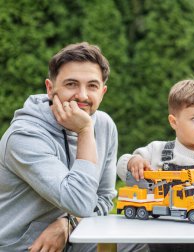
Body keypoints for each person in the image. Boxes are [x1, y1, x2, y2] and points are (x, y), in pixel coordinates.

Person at [0, 42, 145, 252]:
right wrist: (85, 131)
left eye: (92, 86)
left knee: (150, 242)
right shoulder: (24, 136)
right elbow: (79, 202)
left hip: (77, 238)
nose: (83, 95)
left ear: (103, 92)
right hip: (26, 247)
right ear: (51, 88)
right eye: (71, 84)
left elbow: (104, 198)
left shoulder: (104, 125)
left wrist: (68, 224)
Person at [117, 79, 194, 252]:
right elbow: (123, 169)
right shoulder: (155, 150)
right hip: (160, 234)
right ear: (174, 122)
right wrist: (132, 162)